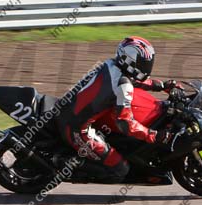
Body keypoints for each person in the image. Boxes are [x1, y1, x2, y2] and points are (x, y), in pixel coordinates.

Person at [55, 36, 177, 183]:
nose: (147, 67)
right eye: (143, 63)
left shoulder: (111, 65)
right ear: (130, 61)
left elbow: (133, 81)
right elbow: (125, 123)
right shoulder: (122, 84)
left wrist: (161, 86)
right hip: (76, 128)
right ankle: (69, 165)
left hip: (70, 111)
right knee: (119, 169)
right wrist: (154, 136)